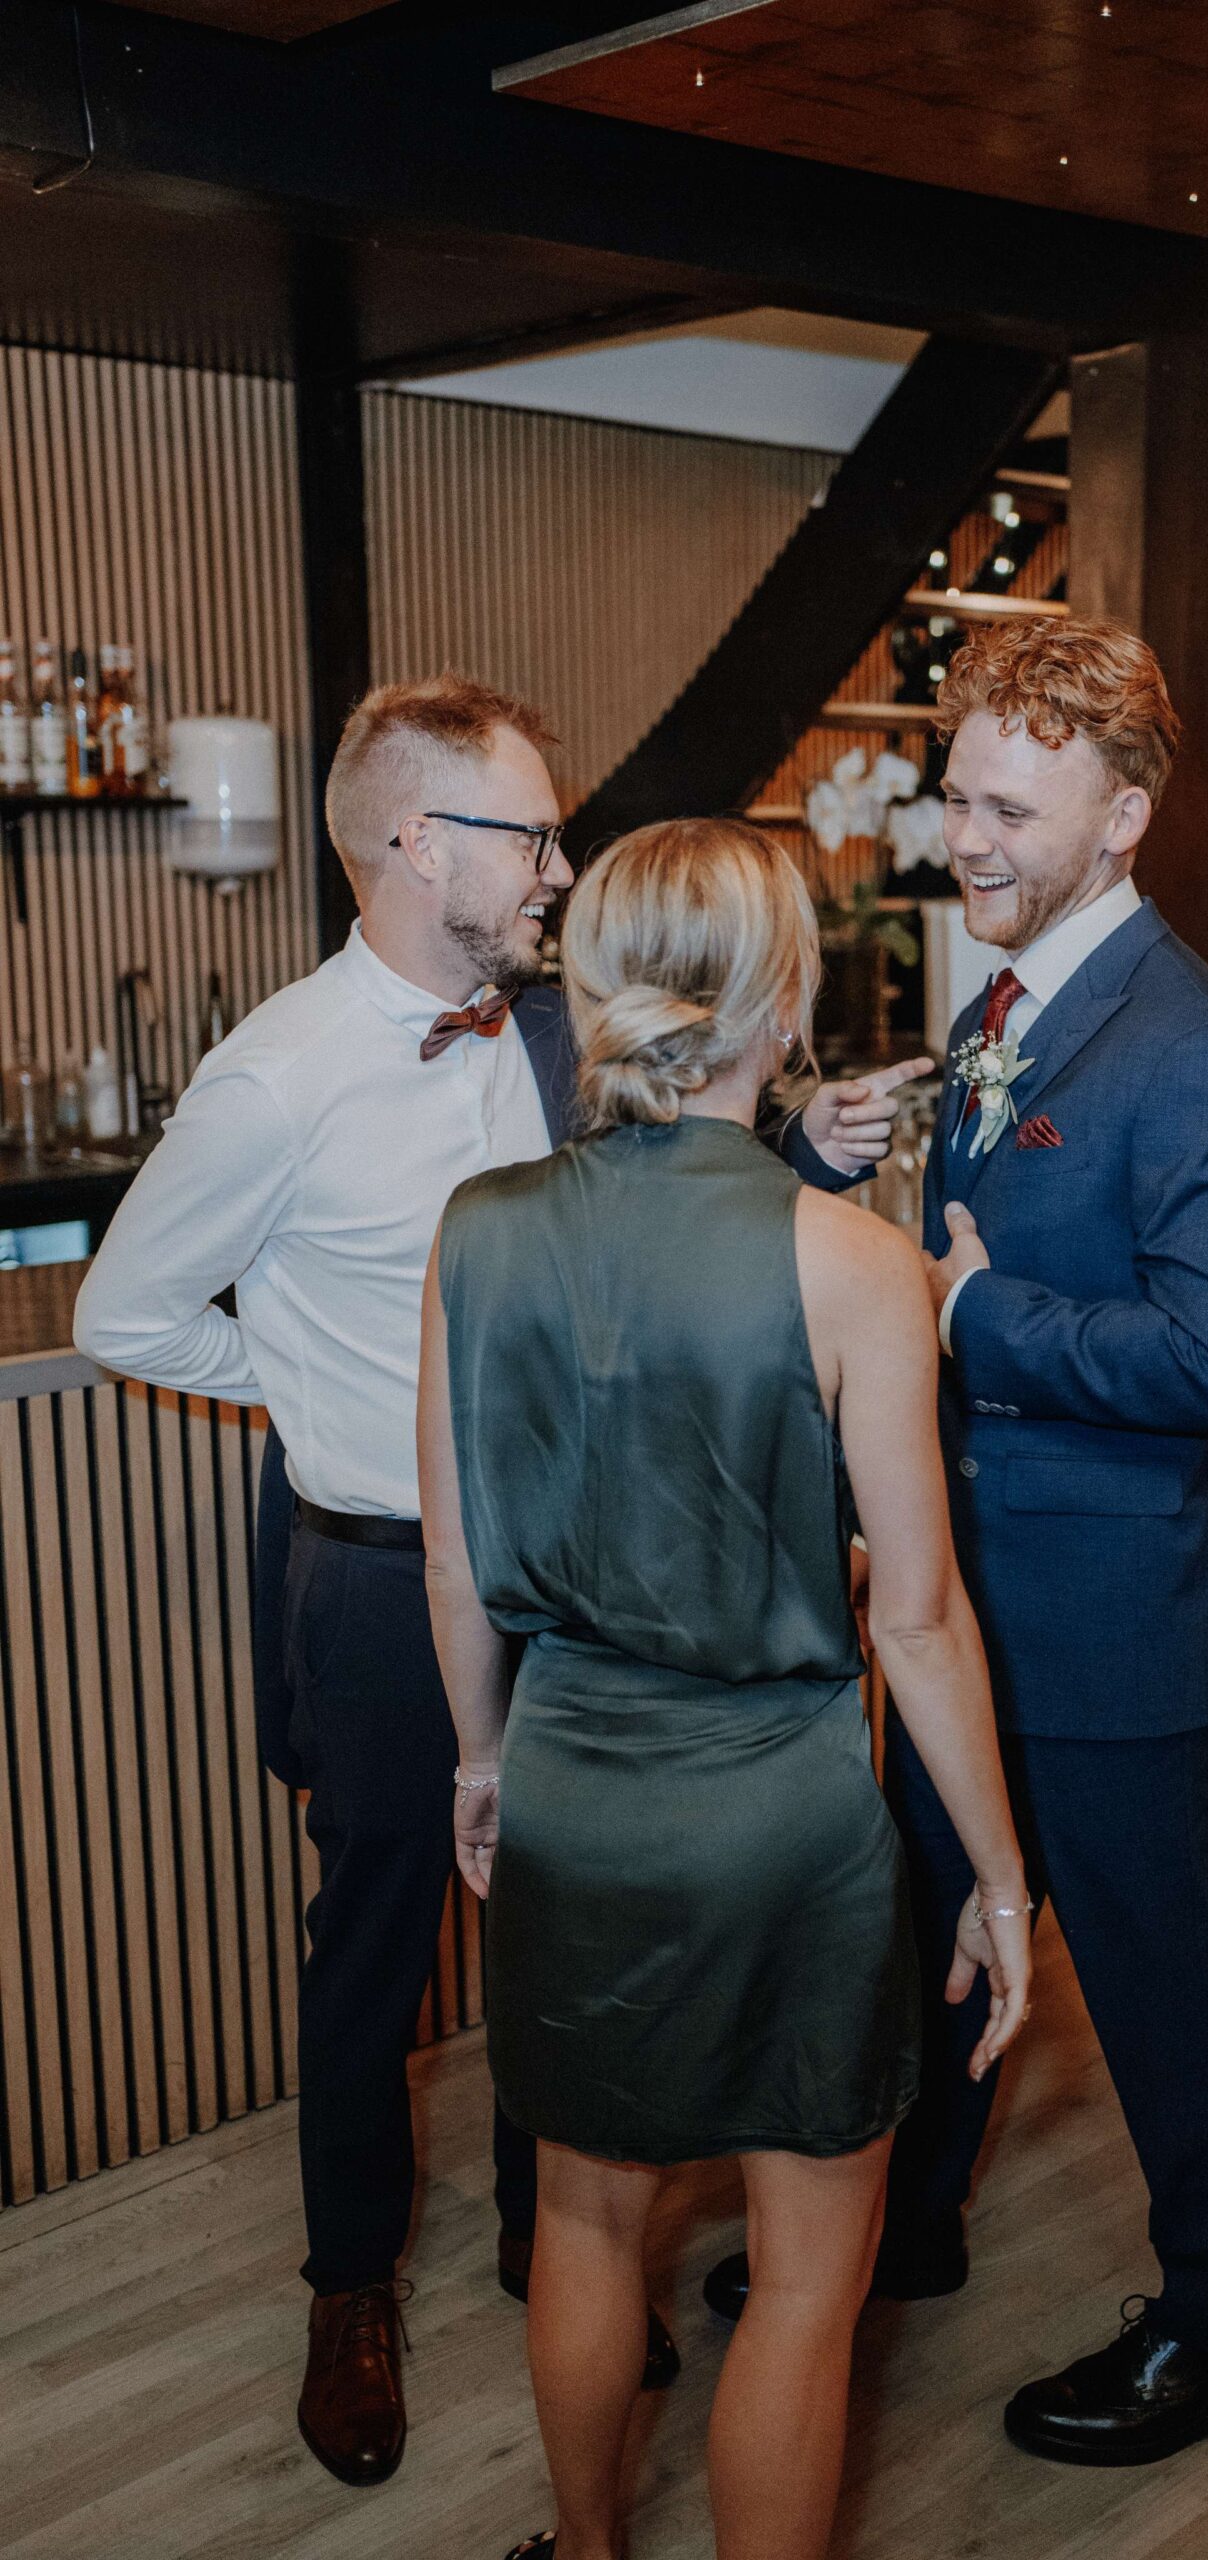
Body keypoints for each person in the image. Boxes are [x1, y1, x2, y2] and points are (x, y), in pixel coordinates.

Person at [72, 675, 926, 2491]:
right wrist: (331, 1394)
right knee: (375, 1953)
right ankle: (347, 2291)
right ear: (412, 841)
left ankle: (567, 2254)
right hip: (388, 1582)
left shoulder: (552, 1027)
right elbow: (124, 1311)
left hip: (578, 1593)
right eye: (528, 833)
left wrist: (802, 1155)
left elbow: (654, 1215)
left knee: (570, 1934)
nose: (556, 865)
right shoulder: (275, 1076)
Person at [710, 616, 1208, 2468]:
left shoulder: (1201, 1055)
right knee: (930, 1932)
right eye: (958, 796)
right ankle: (914, 2223)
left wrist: (969, 1317)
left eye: (1008, 811)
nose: (963, 839)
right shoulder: (1002, 1005)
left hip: (1118, 1625)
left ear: (1121, 819)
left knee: (1163, 1997)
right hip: (961, 1602)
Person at [418, 816, 1031, 2560]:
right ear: (783, 1002)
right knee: (809, 2285)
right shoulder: (854, 1263)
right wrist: (999, 1879)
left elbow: (455, 1568)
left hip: (573, 1794)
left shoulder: (478, 1230)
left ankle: (586, 2548)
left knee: (583, 2223)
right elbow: (919, 1622)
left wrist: (483, 1765)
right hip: (780, 1823)